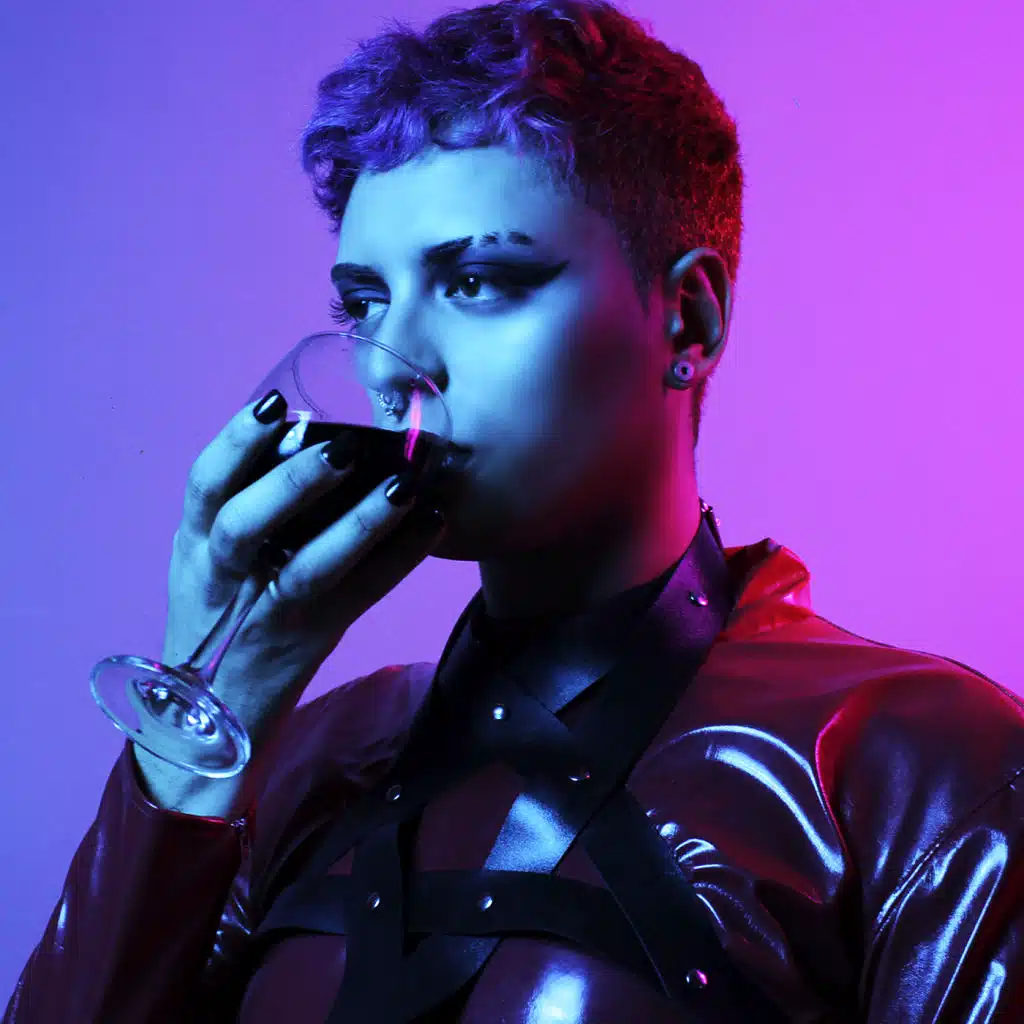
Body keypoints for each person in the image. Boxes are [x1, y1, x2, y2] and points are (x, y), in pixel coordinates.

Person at [5, 0, 1022, 1020]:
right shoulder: (312, 753)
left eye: (478, 282)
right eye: (363, 303)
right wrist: (215, 700)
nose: (391, 367)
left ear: (690, 318)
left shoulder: (918, 758)